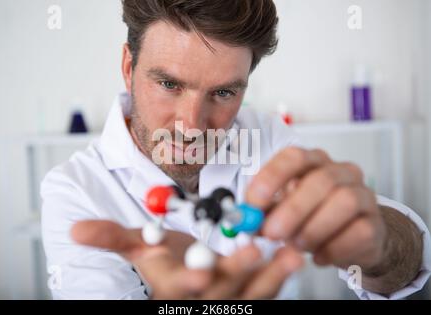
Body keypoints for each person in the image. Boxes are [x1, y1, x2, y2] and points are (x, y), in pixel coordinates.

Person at [41, 0, 430, 299]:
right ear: (128, 67)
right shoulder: (73, 192)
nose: (192, 126)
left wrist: (377, 244)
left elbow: (404, 264)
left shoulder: (266, 138)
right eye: (169, 85)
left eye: (224, 92)